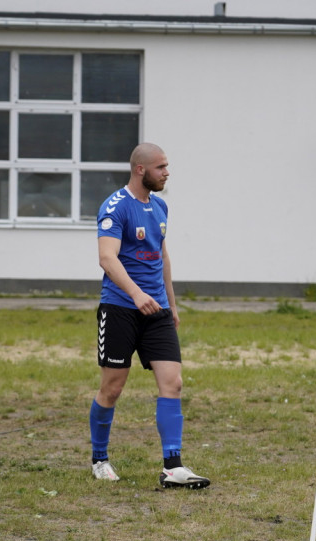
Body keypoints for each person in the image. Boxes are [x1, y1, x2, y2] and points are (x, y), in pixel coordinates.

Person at [88, 142, 210, 489]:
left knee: (173, 383)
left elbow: (162, 256)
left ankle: (173, 466)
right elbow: (107, 258)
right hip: (120, 309)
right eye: (161, 167)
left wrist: (171, 303)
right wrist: (136, 294)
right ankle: (99, 459)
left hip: (156, 310)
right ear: (141, 169)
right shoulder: (115, 207)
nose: (166, 173)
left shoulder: (160, 206)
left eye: (167, 166)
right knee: (112, 388)